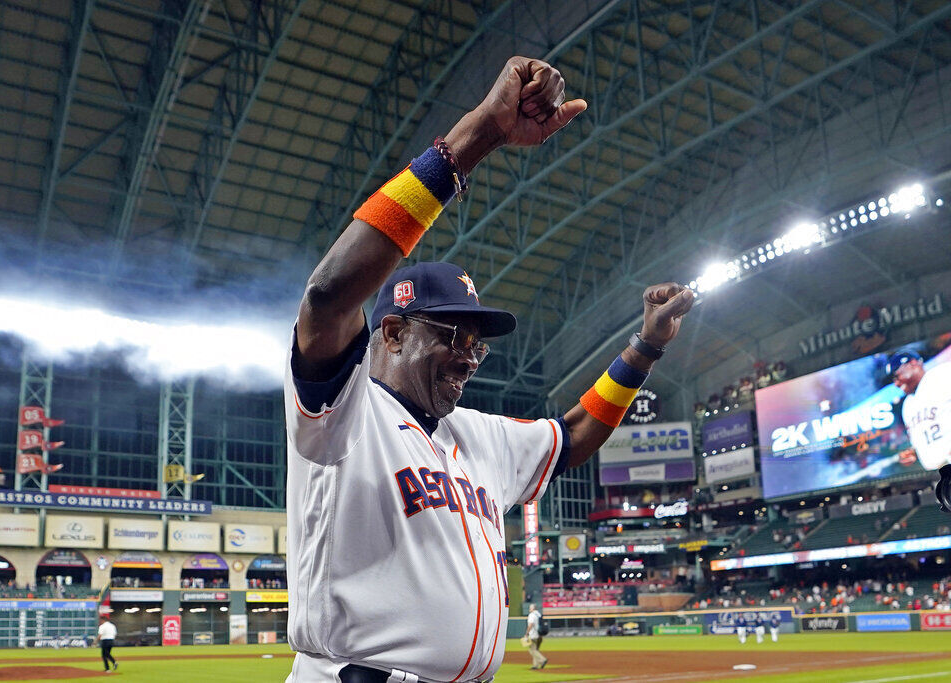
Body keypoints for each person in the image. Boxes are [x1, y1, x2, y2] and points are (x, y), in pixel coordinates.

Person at [283, 55, 694, 683]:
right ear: (391, 331)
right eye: (453, 336)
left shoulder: (477, 437)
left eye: (478, 344)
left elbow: (576, 432)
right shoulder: (344, 412)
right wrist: (475, 141)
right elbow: (329, 297)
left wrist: (644, 347)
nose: (470, 357)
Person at [888, 350, 951, 471]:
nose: (895, 383)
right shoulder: (907, 405)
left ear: (912, 364)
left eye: (896, 376)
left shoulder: (943, 374)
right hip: (938, 475)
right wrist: (914, 453)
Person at [526, 603, 548, 670]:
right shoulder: (538, 614)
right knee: (535, 650)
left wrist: (526, 633)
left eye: (530, 607)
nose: (529, 609)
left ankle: (542, 660)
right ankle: (535, 665)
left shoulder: (532, 615)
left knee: (532, 650)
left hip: (533, 635)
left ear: (533, 608)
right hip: (539, 635)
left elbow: (530, 625)